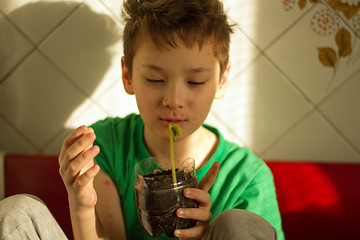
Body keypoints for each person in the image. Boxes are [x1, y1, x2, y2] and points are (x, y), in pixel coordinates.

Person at [1, 0, 284, 239]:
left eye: (195, 82)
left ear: (222, 80)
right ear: (128, 75)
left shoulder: (247, 178)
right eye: (155, 79)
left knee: (236, 223)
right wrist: (81, 206)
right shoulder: (105, 146)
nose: (173, 100)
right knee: (17, 213)